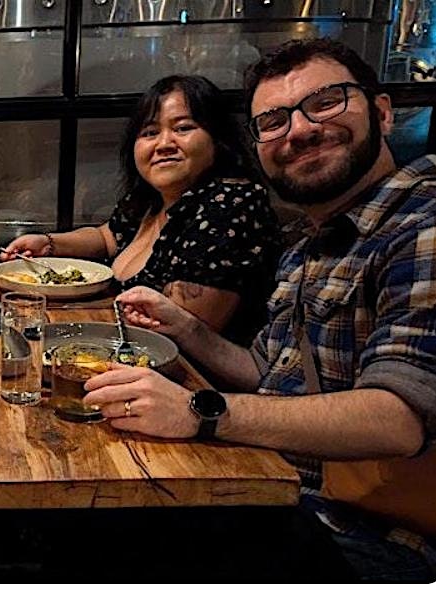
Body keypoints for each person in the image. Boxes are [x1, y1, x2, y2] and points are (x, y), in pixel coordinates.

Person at [88, 38, 436, 582]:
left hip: (370, 533)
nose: (299, 130)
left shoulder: (421, 226)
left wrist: (201, 411)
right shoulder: (310, 243)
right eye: (274, 121)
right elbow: (265, 374)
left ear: (383, 113)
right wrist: (186, 327)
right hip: (276, 486)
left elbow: (398, 421)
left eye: (325, 103)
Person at [2, 75, 281, 344]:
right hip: (121, 346)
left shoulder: (229, 205)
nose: (164, 144)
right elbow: (107, 237)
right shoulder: (152, 199)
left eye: (183, 128)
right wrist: (48, 243)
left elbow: (178, 333)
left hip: (176, 368)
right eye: (150, 132)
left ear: (217, 139)